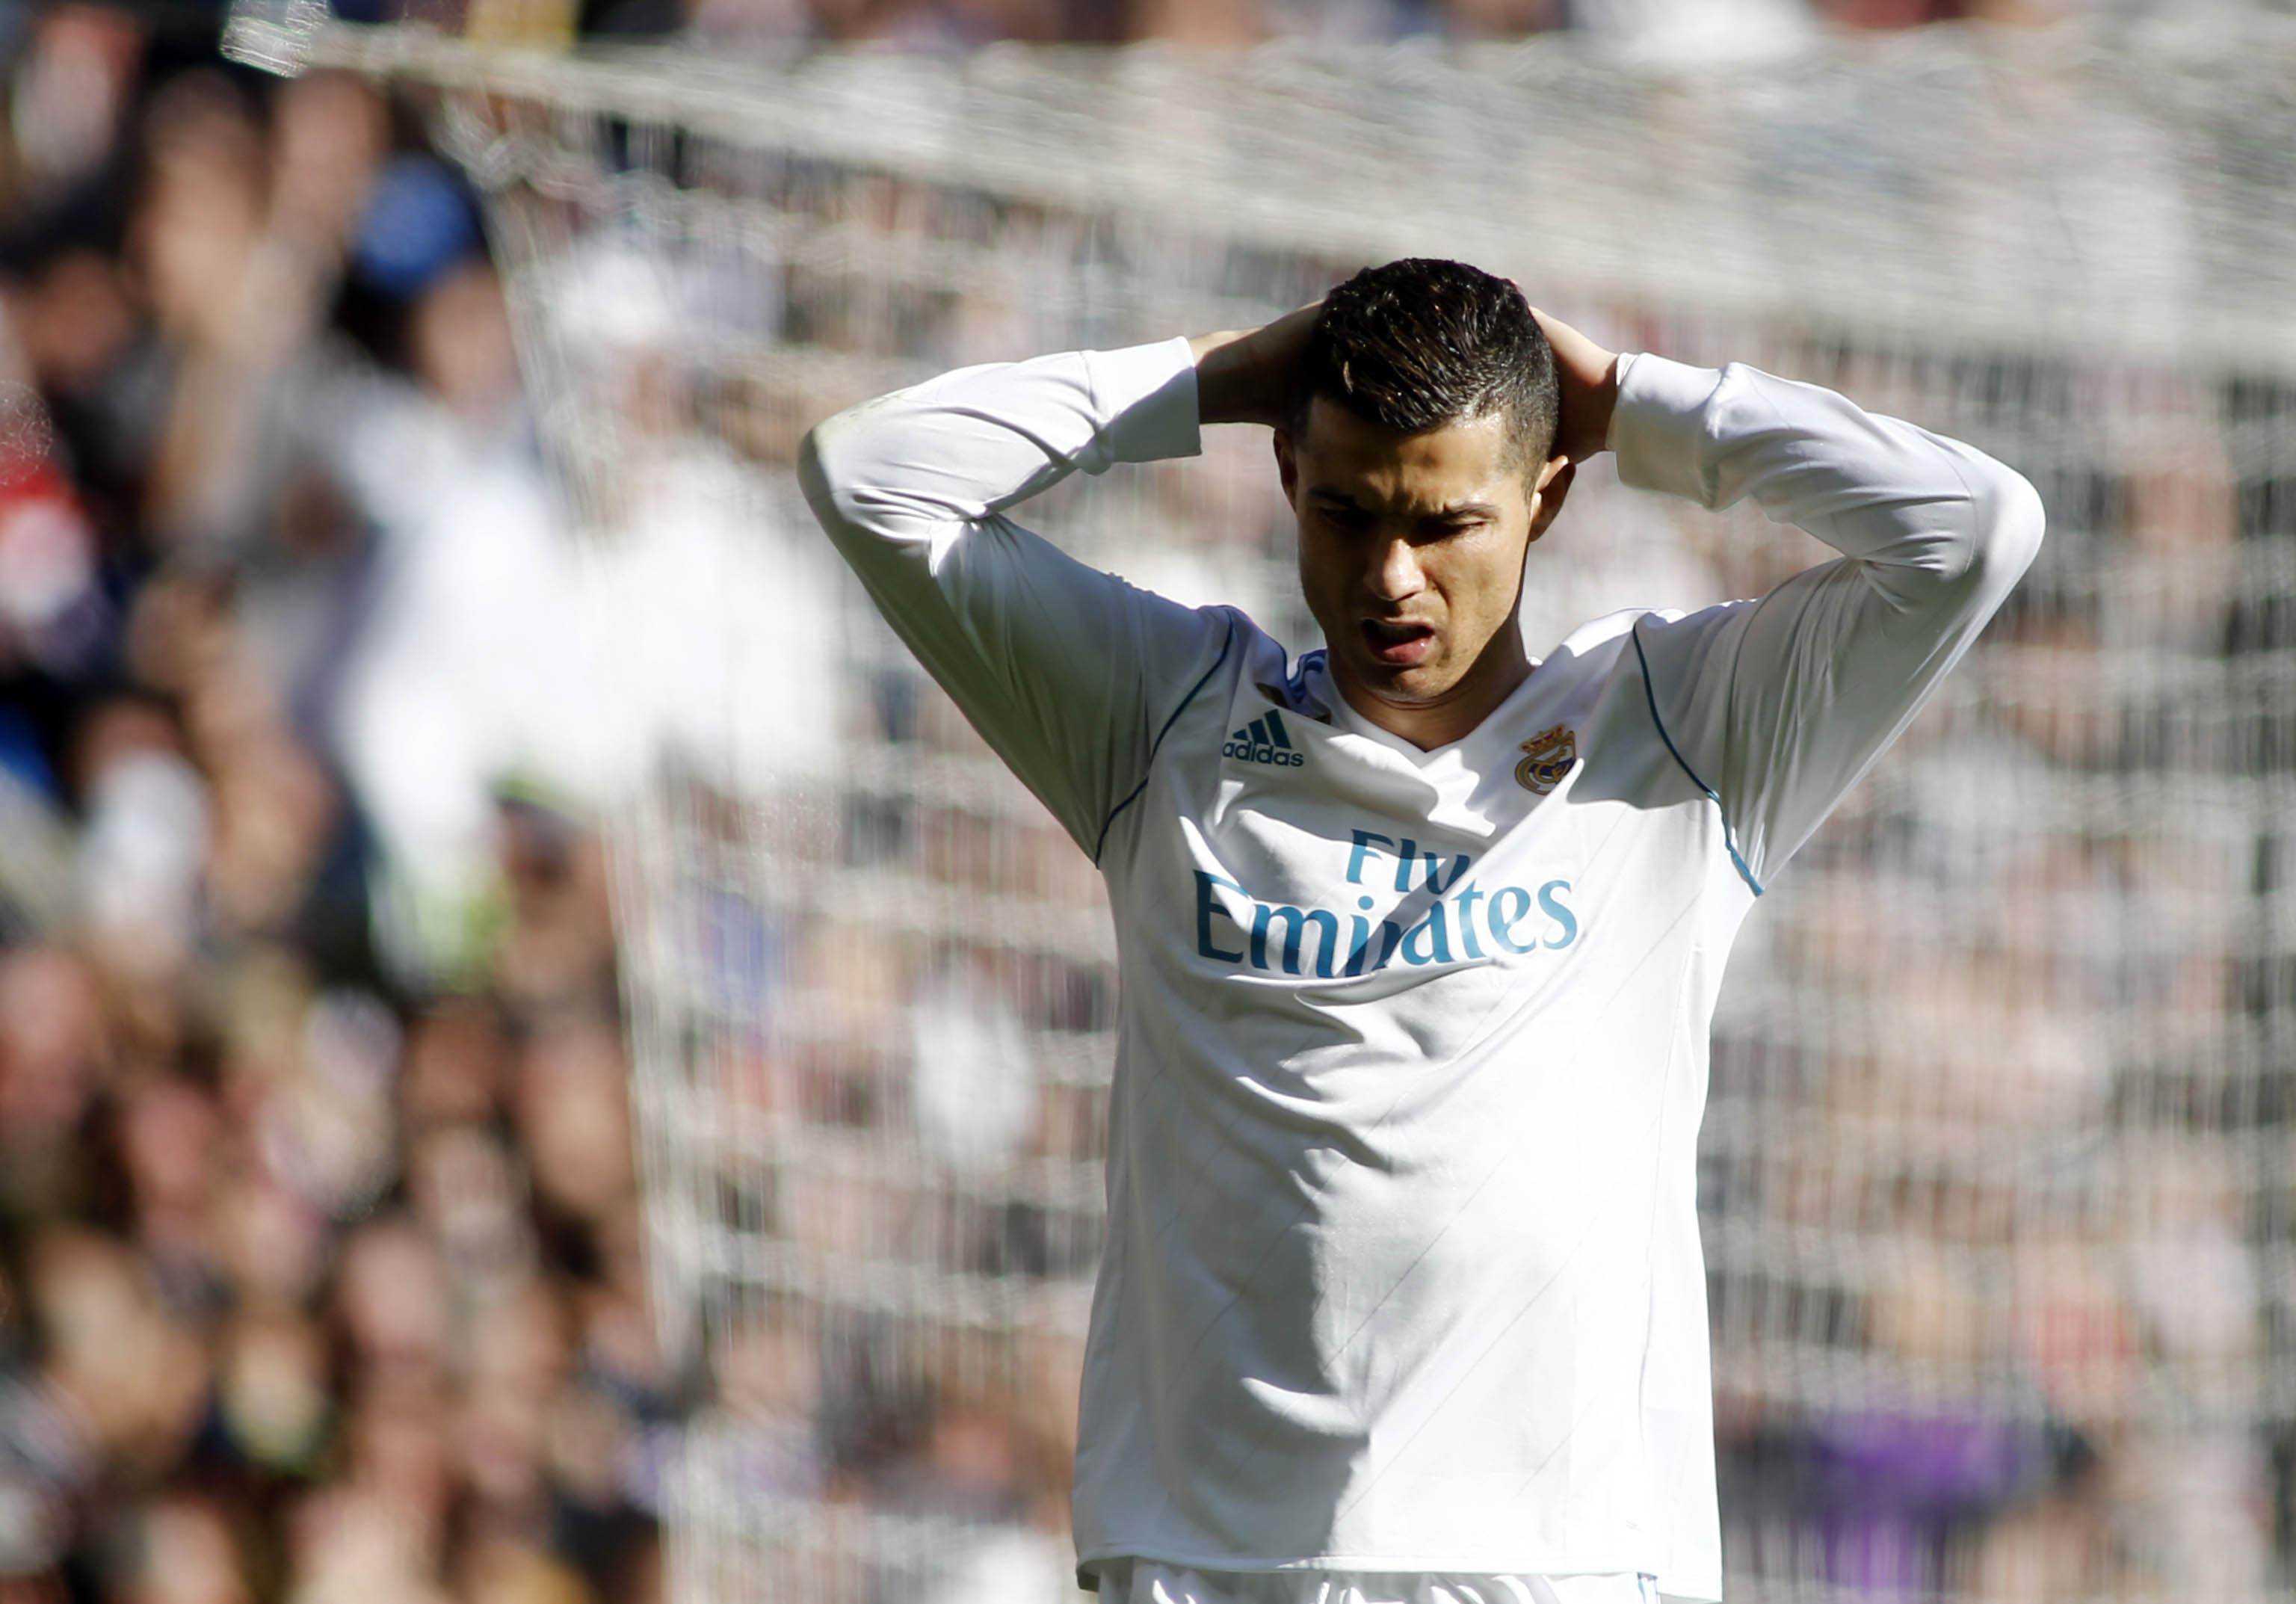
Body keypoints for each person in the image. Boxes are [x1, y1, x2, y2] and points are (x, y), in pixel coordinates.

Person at [796, 258, 2043, 1604]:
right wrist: (1213, 377)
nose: (1392, 575)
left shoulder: (1679, 731)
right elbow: (868, 473)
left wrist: (1632, 401)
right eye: (1345, 510)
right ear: (1286, 479)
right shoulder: (1160, 719)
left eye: (1446, 521)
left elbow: (1975, 526)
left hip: (1556, 1562)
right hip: (1212, 1554)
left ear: (1546, 497)